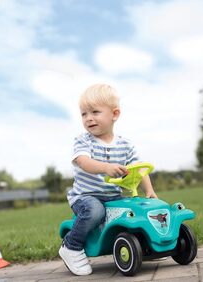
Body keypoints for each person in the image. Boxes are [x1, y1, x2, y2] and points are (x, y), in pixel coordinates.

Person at [59, 83, 158, 276]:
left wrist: (149, 191)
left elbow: (140, 169)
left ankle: (146, 244)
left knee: (136, 209)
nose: (88, 118)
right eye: (84, 114)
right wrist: (106, 168)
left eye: (95, 112)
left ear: (114, 114)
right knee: (95, 211)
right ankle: (71, 246)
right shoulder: (83, 141)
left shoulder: (125, 144)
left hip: (113, 196)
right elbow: (83, 162)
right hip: (86, 197)